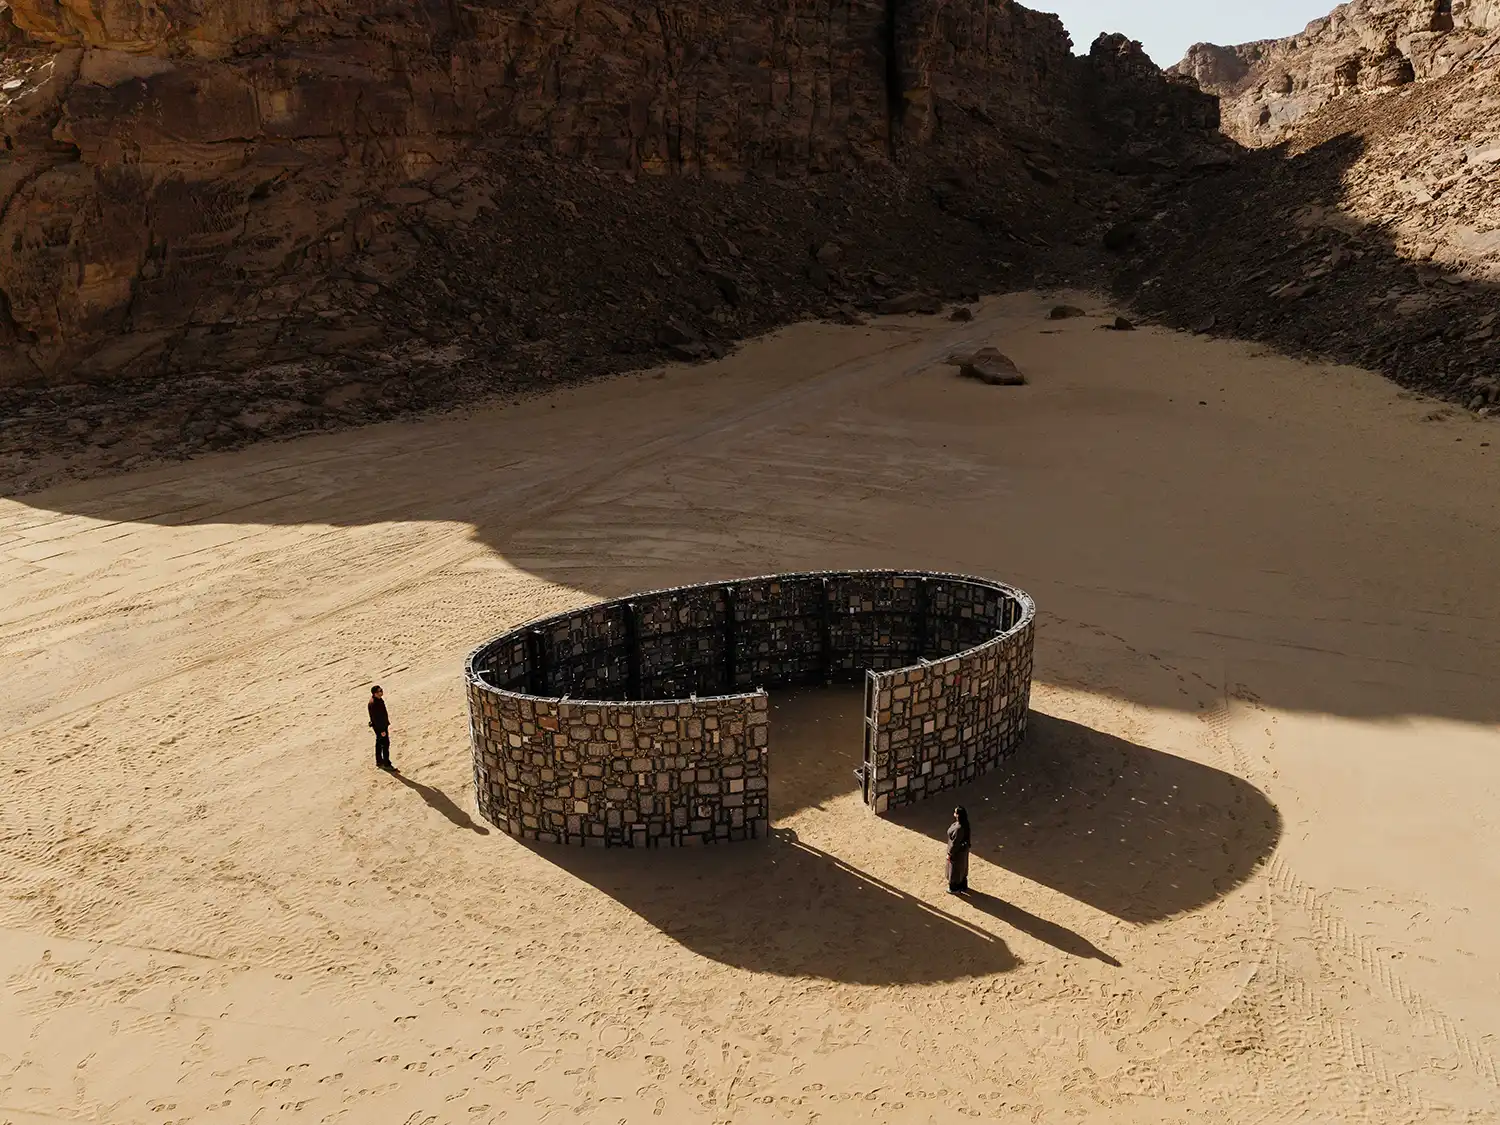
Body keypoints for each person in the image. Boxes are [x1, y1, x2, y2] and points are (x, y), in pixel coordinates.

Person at [368, 685, 394, 771]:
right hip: (380, 727)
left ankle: (379, 761)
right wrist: (382, 730)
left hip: (380, 726)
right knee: (385, 744)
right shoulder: (374, 703)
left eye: (381, 690)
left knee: (379, 743)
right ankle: (386, 763)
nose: (381, 692)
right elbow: (376, 718)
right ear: (375, 693)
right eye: (379, 691)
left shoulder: (378, 700)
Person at [946, 806, 971, 894]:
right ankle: (962, 885)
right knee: (962, 867)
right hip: (963, 851)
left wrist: (949, 854)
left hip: (957, 852)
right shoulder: (964, 824)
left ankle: (954, 888)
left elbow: (955, 844)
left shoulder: (958, 828)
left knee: (954, 869)